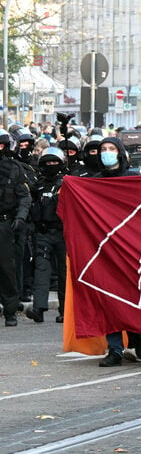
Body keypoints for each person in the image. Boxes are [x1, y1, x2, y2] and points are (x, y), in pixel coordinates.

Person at [93, 138, 141, 366]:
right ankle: (115, 349)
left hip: (130, 248)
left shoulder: (132, 179)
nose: (107, 153)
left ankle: (139, 340)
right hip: (104, 249)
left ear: (120, 153)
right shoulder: (95, 182)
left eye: (111, 149)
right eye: (103, 150)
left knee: (131, 298)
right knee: (108, 300)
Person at [24, 147, 68, 324]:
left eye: (54, 162)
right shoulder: (38, 185)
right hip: (42, 233)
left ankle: (65, 310)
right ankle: (38, 309)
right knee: (41, 269)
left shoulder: (67, 183)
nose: (51, 165)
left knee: (64, 273)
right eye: (48, 162)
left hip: (62, 232)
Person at [0, 130, 31, 327]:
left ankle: (10, 309)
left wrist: (20, 217)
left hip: (5, 224)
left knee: (7, 268)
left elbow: (24, 196)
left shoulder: (14, 168)